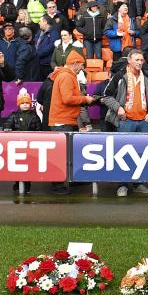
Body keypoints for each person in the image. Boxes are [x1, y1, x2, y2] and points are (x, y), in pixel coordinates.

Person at [101, 49, 148, 197]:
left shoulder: (147, 75)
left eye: (142, 60)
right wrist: (118, 108)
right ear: (129, 60)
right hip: (125, 121)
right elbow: (106, 96)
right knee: (123, 154)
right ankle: (122, 185)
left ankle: (138, 184)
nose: (140, 62)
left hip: (143, 122)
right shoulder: (120, 75)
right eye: (137, 60)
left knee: (140, 155)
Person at [47, 50, 96, 194]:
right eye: (81, 65)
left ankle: (72, 180)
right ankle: (57, 185)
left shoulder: (64, 75)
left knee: (68, 153)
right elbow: (67, 99)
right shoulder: (67, 77)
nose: (82, 68)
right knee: (61, 155)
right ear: (74, 63)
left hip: (65, 119)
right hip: (62, 120)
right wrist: (85, 99)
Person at [2, 90, 43, 192]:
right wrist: (7, 128)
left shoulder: (34, 116)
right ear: (19, 104)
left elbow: (39, 129)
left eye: (27, 103)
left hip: (30, 145)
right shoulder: (14, 115)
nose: (25, 105)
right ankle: (17, 183)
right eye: (22, 103)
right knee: (17, 165)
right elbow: (7, 124)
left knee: (28, 165)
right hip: (17, 145)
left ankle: (27, 184)